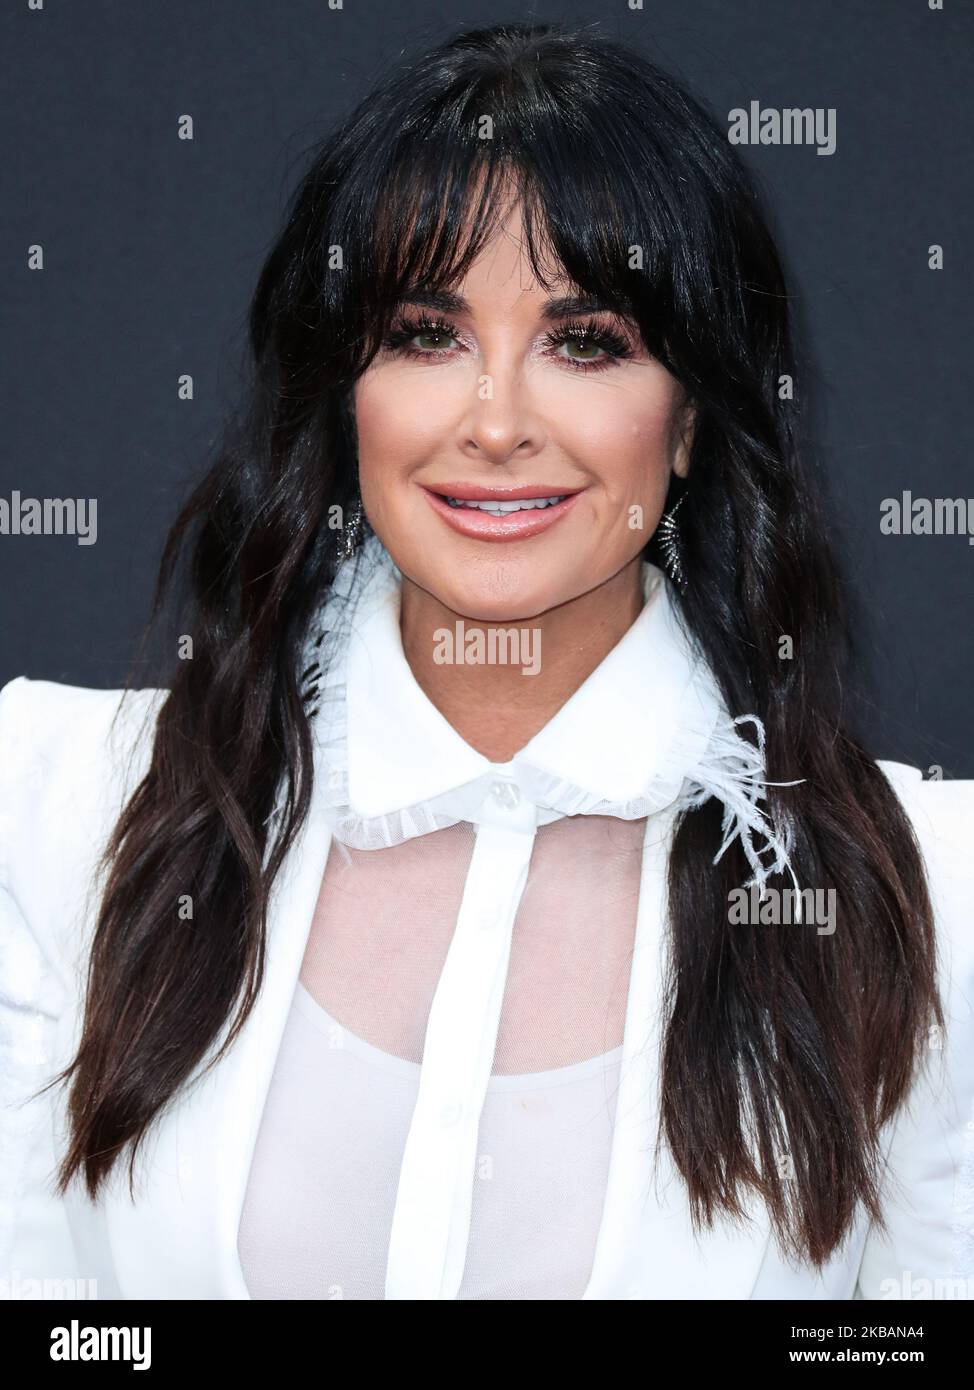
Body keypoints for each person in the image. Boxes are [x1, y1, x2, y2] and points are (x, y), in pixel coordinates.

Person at [2, 20, 972, 1301]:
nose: (496, 423)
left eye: (585, 342)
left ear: (687, 420)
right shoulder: (60, 808)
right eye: (425, 332)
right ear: (343, 388)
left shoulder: (925, 897)